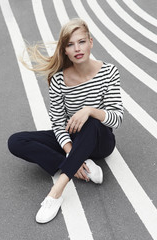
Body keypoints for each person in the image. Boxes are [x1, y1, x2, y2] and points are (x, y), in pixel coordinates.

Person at [8, 18, 124, 224]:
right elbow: (58, 122)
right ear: (65, 51)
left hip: (101, 141)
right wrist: (71, 152)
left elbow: (116, 119)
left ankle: (56, 191)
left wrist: (89, 111)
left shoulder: (109, 72)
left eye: (81, 42)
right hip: (74, 138)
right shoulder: (58, 80)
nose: (77, 48)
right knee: (16, 141)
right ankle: (78, 163)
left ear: (91, 42)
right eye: (70, 44)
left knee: (92, 122)